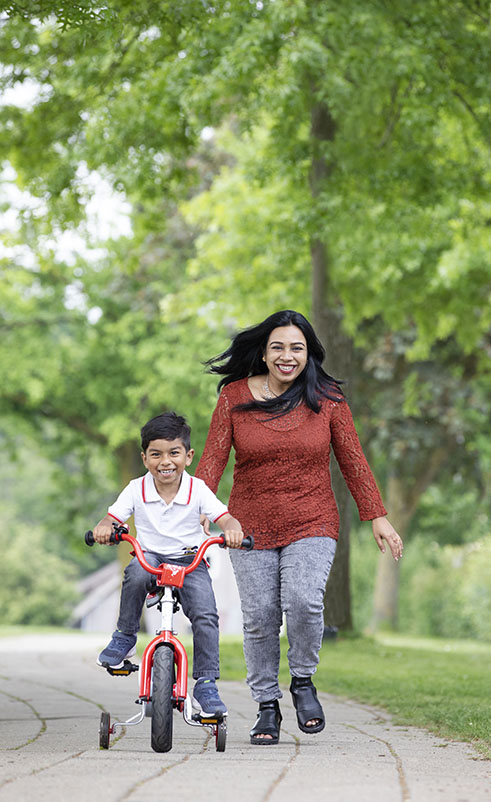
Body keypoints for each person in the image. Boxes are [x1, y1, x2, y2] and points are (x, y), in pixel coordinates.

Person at [194, 309, 403, 744]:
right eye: (278, 347)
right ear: (263, 353)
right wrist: (199, 506)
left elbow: (352, 459)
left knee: (304, 601)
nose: (287, 356)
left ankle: (303, 680)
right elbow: (213, 457)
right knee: (260, 617)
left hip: (312, 518)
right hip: (248, 523)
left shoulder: (327, 398)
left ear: (308, 354)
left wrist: (377, 515)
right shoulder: (234, 396)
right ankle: (267, 706)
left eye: (296, 348)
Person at [93, 411, 243, 718]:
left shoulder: (197, 489)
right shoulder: (136, 488)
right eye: (156, 454)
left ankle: (206, 683)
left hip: (190, 559)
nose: (165, 461)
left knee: (206, 614)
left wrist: (232, 530)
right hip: (150, 557)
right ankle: (125, 637)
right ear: (144, 458)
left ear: (188, 456)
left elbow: (226, 517)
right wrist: (105, 527)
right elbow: (112, 518)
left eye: (174, 453)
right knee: (135, 574)